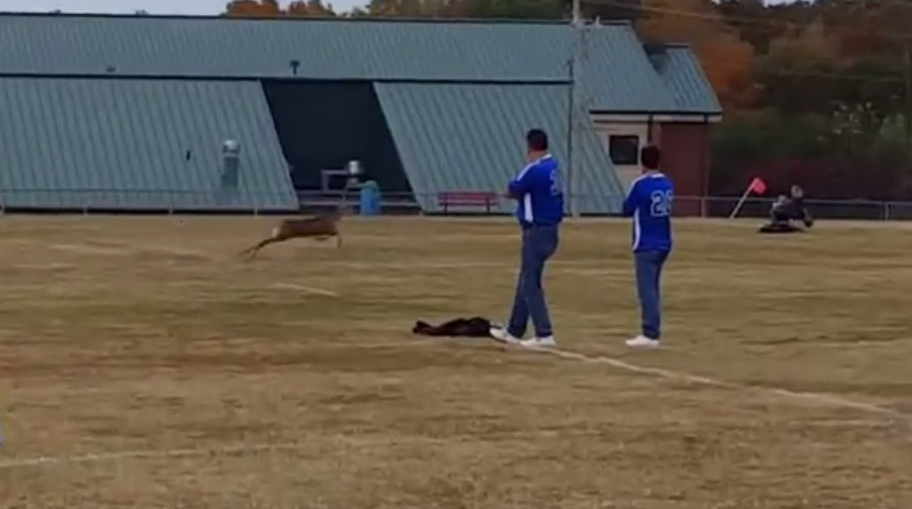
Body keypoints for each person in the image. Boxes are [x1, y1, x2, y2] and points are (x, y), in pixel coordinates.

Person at [490, 128, 564, 348]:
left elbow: (515, 188)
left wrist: (506, 193)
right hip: (551, 229)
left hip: (536, 231)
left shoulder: (533, 169)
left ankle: (544, 333)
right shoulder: (553, 167)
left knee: (530, 283)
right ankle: (514, 330)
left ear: (530, 147)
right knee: (526, 279)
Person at [621, 144, 672, 348]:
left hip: (646, 242)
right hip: (664, 240)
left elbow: (626, 208)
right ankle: (652, 328)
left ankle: (650, 332)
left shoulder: (640, 184)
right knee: (653, 287)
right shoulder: (667, 183)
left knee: (647, 289)